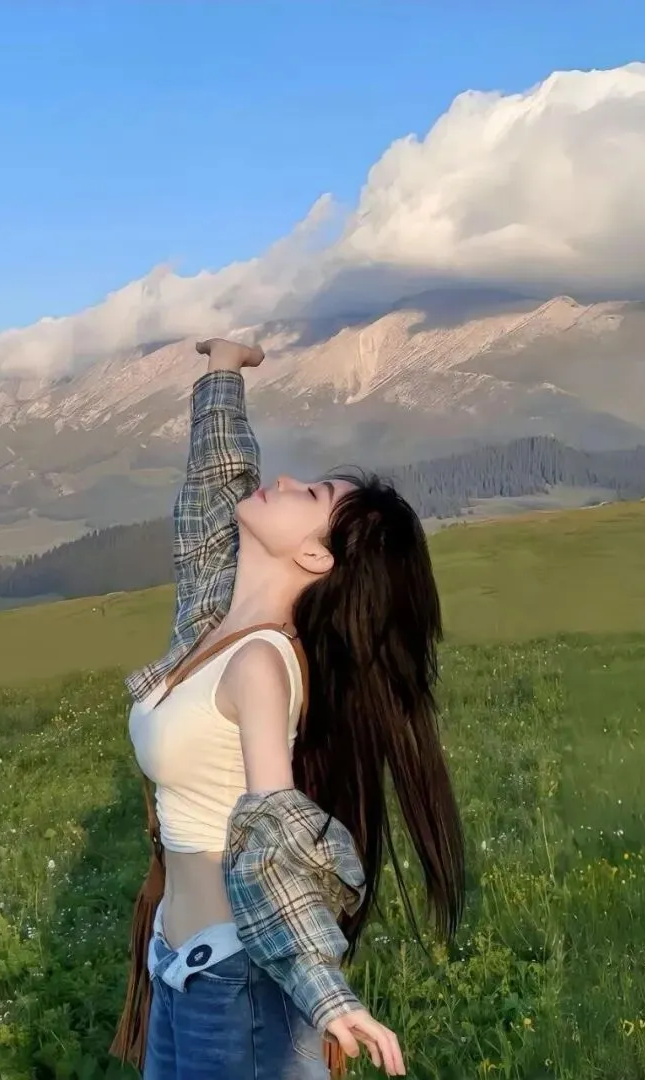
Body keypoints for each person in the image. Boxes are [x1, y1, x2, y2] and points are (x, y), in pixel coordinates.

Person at [112, 338, 466, 1079]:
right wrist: (222, 372)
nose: (286, 480)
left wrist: (327, 996)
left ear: (314, 558)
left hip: (234, 988)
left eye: (309, 496)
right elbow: (211, 502)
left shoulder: (260, 665)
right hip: (177, 965)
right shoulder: (213, 622)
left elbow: (274, 836)